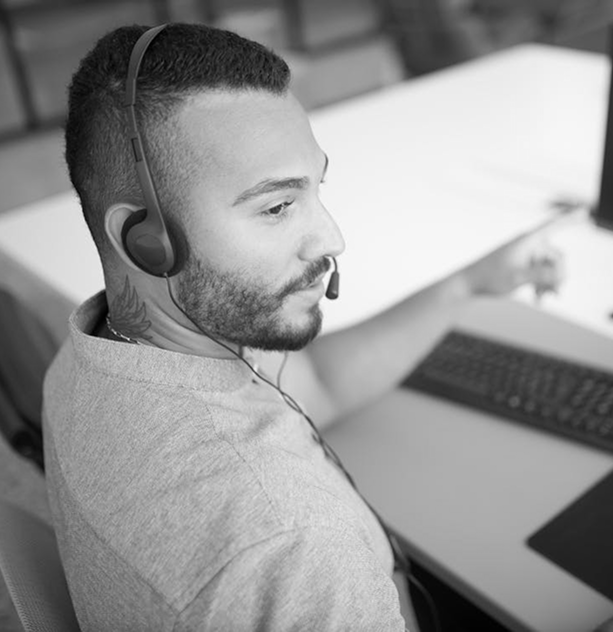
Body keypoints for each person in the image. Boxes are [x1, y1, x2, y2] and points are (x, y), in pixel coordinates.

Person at [43, 22, 562, 631]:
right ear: (144, 239)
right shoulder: (295, 547)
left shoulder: (95, 356)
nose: (332, 238)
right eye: (277, 206)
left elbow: (315, 382)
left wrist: (468, 284)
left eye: (317, 186)